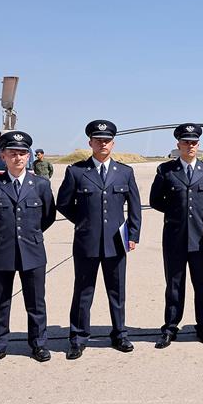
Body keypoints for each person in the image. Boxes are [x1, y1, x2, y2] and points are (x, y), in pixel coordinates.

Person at [56, 120, 142, 359]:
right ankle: (78, 337)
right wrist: (83, 222)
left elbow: (135, 206)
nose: (102, 144)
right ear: (90, 143)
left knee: (117, 291)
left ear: (113, 143)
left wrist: (133, 235)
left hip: (116, 243)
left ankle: (120, 334)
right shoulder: (76, 171)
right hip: (87, 242)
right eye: (98, 140)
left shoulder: (125, 172)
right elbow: (63, 203)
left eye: (107, 140)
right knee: (84, 291)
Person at [0, 131, 56, 368]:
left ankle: (39, 343)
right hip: (1, 252)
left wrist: (30, 236)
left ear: (28, 156)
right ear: (3, 156)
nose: (17, 158)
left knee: (36, 302)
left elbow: (48, 217)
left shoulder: (40, 185)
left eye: (22, 153)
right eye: (12, 154)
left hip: (33, 252)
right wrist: (1, 236)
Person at [150, 124, 203, 348]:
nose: (190, 146)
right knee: (174, 285)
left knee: (202, 284)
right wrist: (174, 213)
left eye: (193, 142)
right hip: (174, 237)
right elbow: (155, 200)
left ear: (198, 145)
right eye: (185, 142)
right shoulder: (166, 170)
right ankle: (170, 327)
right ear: (178, 144)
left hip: (200, 238)